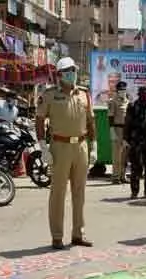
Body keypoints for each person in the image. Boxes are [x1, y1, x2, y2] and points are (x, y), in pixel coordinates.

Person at [36, 56, 96, 250]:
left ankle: (78, 233)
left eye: (74, 70)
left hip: (80, 146)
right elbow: (39, 120)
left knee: (79, 193)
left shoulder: (84, 94)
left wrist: (94, 145)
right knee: (58, 193)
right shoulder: (50, 95)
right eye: (68, 71)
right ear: (60, 75)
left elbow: (90, 121)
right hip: (59, 147)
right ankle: (57, 236)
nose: (72, 74)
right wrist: (43, 147)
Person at [124, 86, 146, 199]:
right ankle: (134, 192)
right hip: (136, 141)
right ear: (140, 94)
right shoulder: (132, 106)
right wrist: (126, 139)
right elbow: (127, 123)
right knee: (136, 167)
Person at [107, 80, 129, 184]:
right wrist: (112, 130)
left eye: (124, 90)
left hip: (126, 130)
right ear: (117, 91)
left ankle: (123, 175)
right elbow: (110, 117)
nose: (122, 92)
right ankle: (115, 177)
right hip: (117, 129)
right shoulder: (113, 101)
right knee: (116, 154)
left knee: (124, 154)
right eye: (120, 90)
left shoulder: (127, 100)